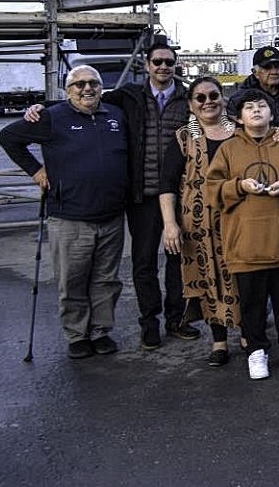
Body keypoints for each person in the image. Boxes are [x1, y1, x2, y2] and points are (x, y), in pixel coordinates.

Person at [0, 65, 130, 359]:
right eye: (79, 84)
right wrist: (35, 171)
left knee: (107, 280)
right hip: (70, 218)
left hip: (111, 215)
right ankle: (77, 335)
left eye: (93, 83)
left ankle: (100, 331)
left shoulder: (115, 116)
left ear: (101, 87)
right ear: (67, 91)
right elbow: (9, 138)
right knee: (72, 280)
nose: (87, 89)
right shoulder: (52, 117)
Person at [207, 90, 279, 380]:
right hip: (245, 245)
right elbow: (212, 189)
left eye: (262, 106)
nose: (256, 111)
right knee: (252, 302)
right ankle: (256, 349)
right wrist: (238, 186)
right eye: (249, 107)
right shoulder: (228, 149)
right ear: (239, 117)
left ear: (272, 114)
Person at [100, 39, 198, 348]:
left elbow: (217, 119)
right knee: (143, 262)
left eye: (169, 62)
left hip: (179, 195)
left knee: (178, 260)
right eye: (158, 62)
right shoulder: (127, 97)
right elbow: (85, 102)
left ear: (175, 66)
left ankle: (175, 319)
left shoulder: (187, 99)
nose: (163, 67)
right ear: (147, 65)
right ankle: (149, 322)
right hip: (141, 197)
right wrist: (42, 108)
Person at [158, 77, 242, 367]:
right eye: (201, 98)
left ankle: (248, 334)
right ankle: (219, 341)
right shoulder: (184, 137)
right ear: (192, 105)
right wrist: (170, 224)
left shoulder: (241, 130)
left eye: (214, 95)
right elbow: (167, 183)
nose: (208, 102)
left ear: (222, 97)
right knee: (210, 279)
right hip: (199, 224)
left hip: (241, 219)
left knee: (245, 276)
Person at [227, 45, 279, 127]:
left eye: (277, 66)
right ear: (255, 72)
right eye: (267, 67)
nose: (274, 71)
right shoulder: (237, 100)